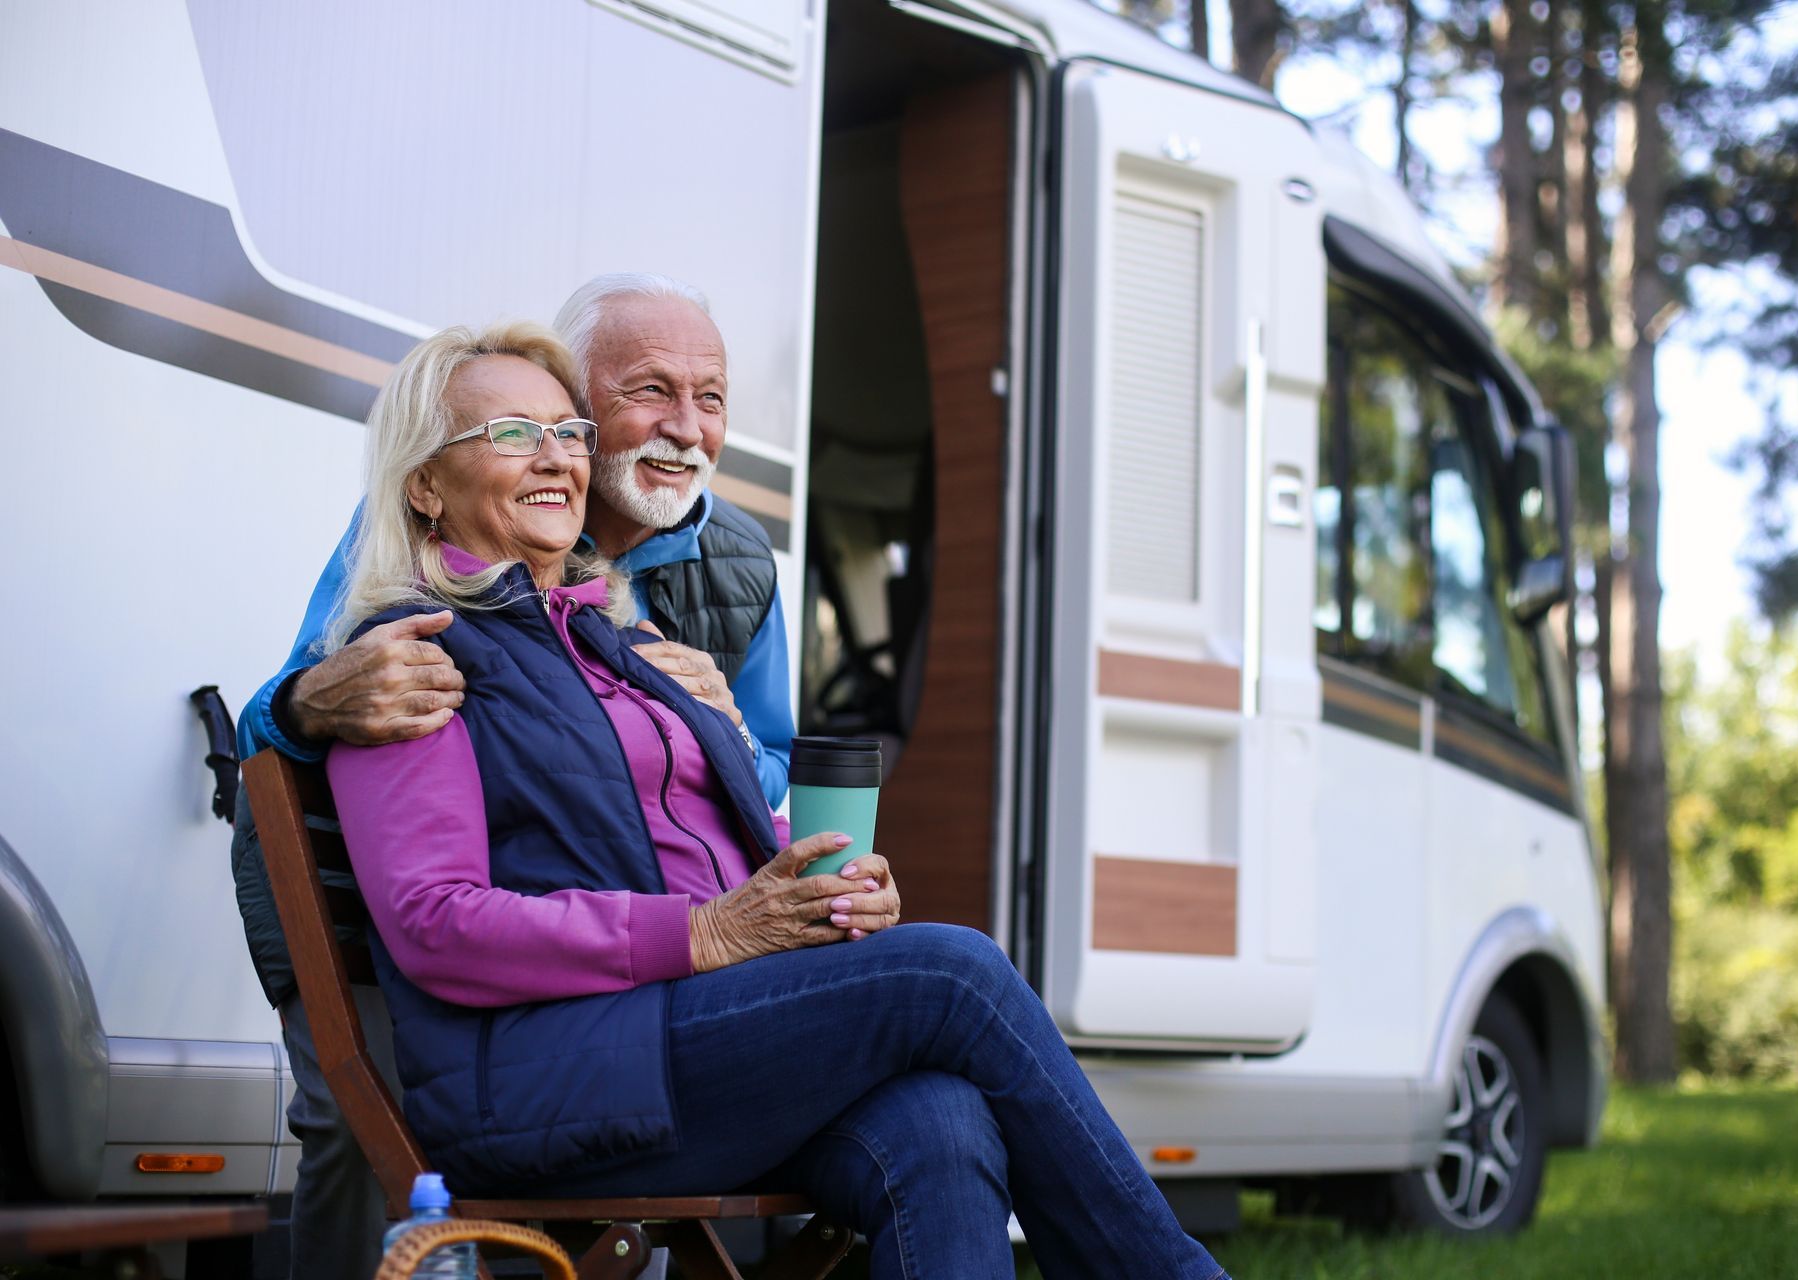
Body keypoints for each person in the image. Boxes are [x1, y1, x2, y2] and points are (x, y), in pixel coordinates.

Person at [321, 318, 1227, 1280]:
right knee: (949, 975)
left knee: (939, 1121)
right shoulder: (415, 660)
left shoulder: (615, 647)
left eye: (568, 433)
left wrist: (821, 887)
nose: (554, 457)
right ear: (425, 483)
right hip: (545, 1079)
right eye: (511, 434)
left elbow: (699, 836)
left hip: (680, 1042)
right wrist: (706, 933)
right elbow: (435, 923)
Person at [229, 275, 792, 1279]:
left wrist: (726, 728)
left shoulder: (738, 562)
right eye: (650, 390)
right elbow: (293, 700)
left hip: (613, 936)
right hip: (370, 911)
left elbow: (774, 761)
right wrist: (314, 700)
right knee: (360, 1131)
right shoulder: (454, 518)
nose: (687, 426)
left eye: (711, 396)